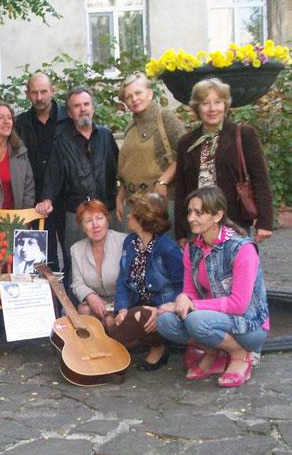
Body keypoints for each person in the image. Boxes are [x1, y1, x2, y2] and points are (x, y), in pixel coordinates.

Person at [157, 186, 269, 387]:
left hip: (249, 324)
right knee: (165, 321)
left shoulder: (242, 248)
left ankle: (240, 354)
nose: (191, 218)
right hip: (211, 319)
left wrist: (192, 305)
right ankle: (214, 351)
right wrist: (183, 299)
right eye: (190, 212)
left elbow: (239, 305)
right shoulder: (192, 248)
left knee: (196, 320)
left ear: (218, 215)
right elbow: (190, 292)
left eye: (199, 213)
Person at [36, 86, 119, 303]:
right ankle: (78, 312)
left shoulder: (106, 136)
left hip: (105, 211)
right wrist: (47, 199)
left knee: (112, 262)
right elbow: (53, 175)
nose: (82, 109)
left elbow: (117, 170)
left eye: (86, 104)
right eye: (76, 106)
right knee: (75, 266)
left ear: (92, 108)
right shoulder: (61, 142)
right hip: (74, 215)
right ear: (70, 112)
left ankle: (115, 309)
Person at [173, 78, 273, 245]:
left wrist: (265, 222)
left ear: (225, 105)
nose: (212, 108)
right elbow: (181, 189)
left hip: (235, 223)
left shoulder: (244, 135)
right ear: (197, 107)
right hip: (197, 226)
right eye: (205, 103)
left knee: (238, 262)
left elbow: (260, 179)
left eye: (218, 102)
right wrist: (181, 232)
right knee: (201, 263)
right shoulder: (186, 142)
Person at [108, 193, 183, 371]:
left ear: (144, 219)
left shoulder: (167, 248)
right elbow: (123, 280)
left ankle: (156, 347)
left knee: (139, 316)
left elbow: (183, 286)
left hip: (162, 309)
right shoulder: (130, 242)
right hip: (137, 305)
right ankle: (121, 344)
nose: (128, 215)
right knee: (114, 320)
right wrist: (122, 308)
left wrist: (162, 309)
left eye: (132, 213)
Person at [115, 72, 185, 234]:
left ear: (150, 93)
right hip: (134, 204)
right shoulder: (130, 126)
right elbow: (127, 165)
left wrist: (163, 181)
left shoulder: (165, 118)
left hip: (160, 202)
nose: (134, 99)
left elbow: (184, 153)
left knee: (162, 248)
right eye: (128, 97)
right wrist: (120, 196)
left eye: (138, 93)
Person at [16, 73, 69, 268]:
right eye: (34, 92)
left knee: (72, 252)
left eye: (44, 92)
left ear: (53, 91)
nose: (39, 97)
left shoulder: (68, 118)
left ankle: (72, 289)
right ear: (27, 94)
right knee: (44, 255)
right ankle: (50, 289)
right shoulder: (20, 124)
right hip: (36, 198)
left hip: (67, 195)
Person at [71, 199, 127, 327]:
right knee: (84, 310)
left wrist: (122, 302)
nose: (95, 225)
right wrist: (91, 296)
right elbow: (77, 284)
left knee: (110, 321)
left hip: (123, 301)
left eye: (99, 218)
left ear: (107, 220)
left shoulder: (124, 241)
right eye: (88, 221)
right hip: (97, 303)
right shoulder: (76, 249)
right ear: (82, 227)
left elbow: (132, 280)